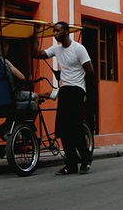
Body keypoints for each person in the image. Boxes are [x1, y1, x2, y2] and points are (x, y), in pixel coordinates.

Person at [33, 21, 95, 175]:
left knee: (75, 127)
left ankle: (86, 158)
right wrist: (34, 34)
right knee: (62, 129)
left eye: (58, 31)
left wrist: (86, 92)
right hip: (65, 90)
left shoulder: (78, 49)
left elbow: (90, 71)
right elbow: (38, 54)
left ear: (66, 32)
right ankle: (71, 164)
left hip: (77, 90)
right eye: (54, 31)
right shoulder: (57, 49)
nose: (55, 34)